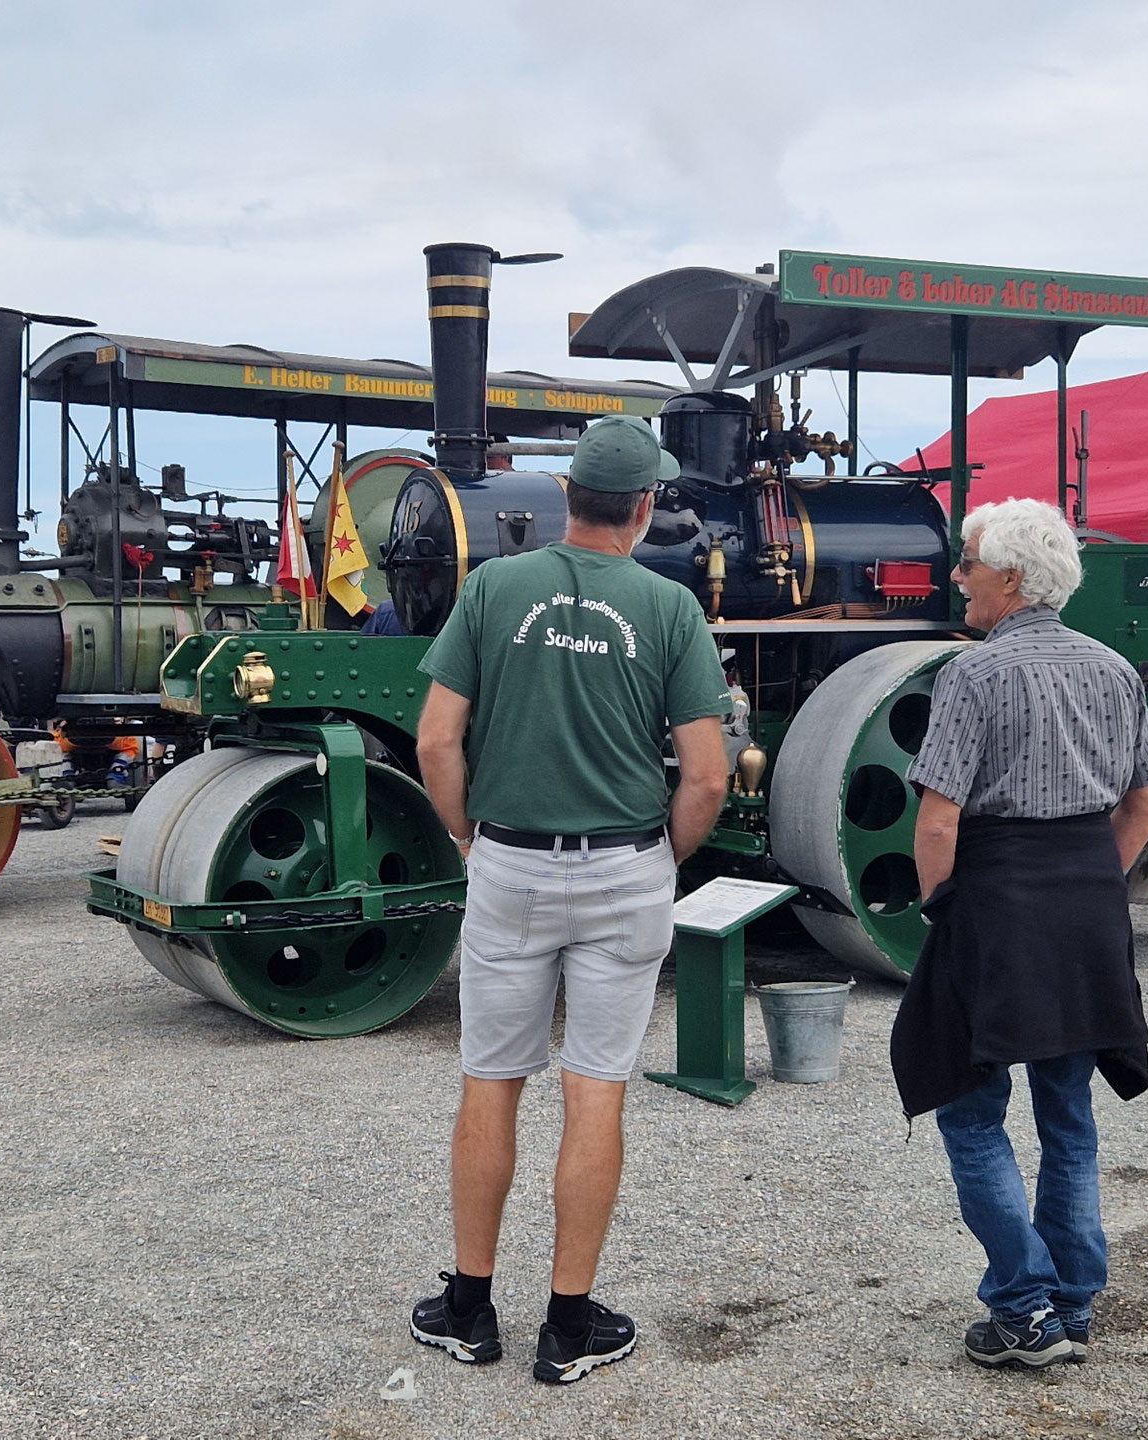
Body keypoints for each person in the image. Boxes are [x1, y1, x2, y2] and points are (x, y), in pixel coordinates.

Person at [407, 414, 731, 1385]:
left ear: (562, 498)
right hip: (624, 866)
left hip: (508, 863)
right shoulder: (670, 608)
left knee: (490, 1080)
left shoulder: (494, 588)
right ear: (641, 509)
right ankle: (567, 1326)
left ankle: (468, 1311)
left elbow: (433, 742)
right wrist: (657, 859)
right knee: (595, 1090)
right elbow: (708, 777)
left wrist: (470, 836)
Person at [892, 497, 1148, 1370]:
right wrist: (1095, 881)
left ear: (1009, 578)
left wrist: (943, 908)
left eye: (968, 562)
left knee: (969, 1111)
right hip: (1087, 908)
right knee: (1068, 1114)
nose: (956, 576)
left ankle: (1023, 1305)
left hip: (996, 901)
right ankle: (1074, 1304)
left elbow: (938, 823)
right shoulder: (1117, 669)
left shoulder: (972, 674)